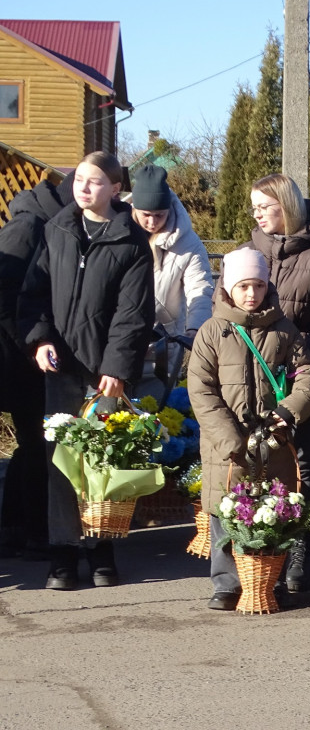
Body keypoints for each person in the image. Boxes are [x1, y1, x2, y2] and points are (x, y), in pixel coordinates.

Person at [19, 152, 154, 590]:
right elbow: (34, 291)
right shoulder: (56, 230)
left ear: (116, 189)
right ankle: (61, 557)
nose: (84, 188)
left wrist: (116, 367)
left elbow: (133, 315)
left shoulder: (131, 241)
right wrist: (39, 339)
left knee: (103, 460)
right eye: (80, 179)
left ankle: (101, 552)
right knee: (60, 461)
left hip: (102, 372)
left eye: (95, 182)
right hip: (60, 367)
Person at [187, 247, 310, 610]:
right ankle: (227, 582)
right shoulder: (212, 332)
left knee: (270, 510)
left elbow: (306, 375)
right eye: (243, 286)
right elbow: (201, 389)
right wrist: (229, 437)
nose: (251, 294)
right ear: (229, 287)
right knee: (225, 510)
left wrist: (289, 412)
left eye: (258, 285)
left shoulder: (284, 330)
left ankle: (267, 578)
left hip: (273, 440)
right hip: (226, 446)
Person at [237, 173, 310, 591]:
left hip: (301, 381)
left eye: (265, 206)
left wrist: (296, 360)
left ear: (287, 207)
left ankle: (301, 549)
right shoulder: (248, 254)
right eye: (254, 208)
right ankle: (262, 549)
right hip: (251, 381)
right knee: (254, 461)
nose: (257, 214)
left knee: (300, 463)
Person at [0, 174, 73, 560]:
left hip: (28, 351)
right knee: (37, 442)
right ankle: (32, 530)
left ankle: (16, 527)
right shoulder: (29, 225)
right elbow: (4, 293)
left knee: (32, 443)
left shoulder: (49, 220)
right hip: (18, 355)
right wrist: (31, 343)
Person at [127, 165, 214, 400]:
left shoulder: (189, 244)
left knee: (157, 412)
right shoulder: (119, 234)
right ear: (133, 208)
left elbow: (200, 288)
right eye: (145, 215)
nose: (152, 222)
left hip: (165, 342)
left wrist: (195, 329)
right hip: (122, 338)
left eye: (160, 215)